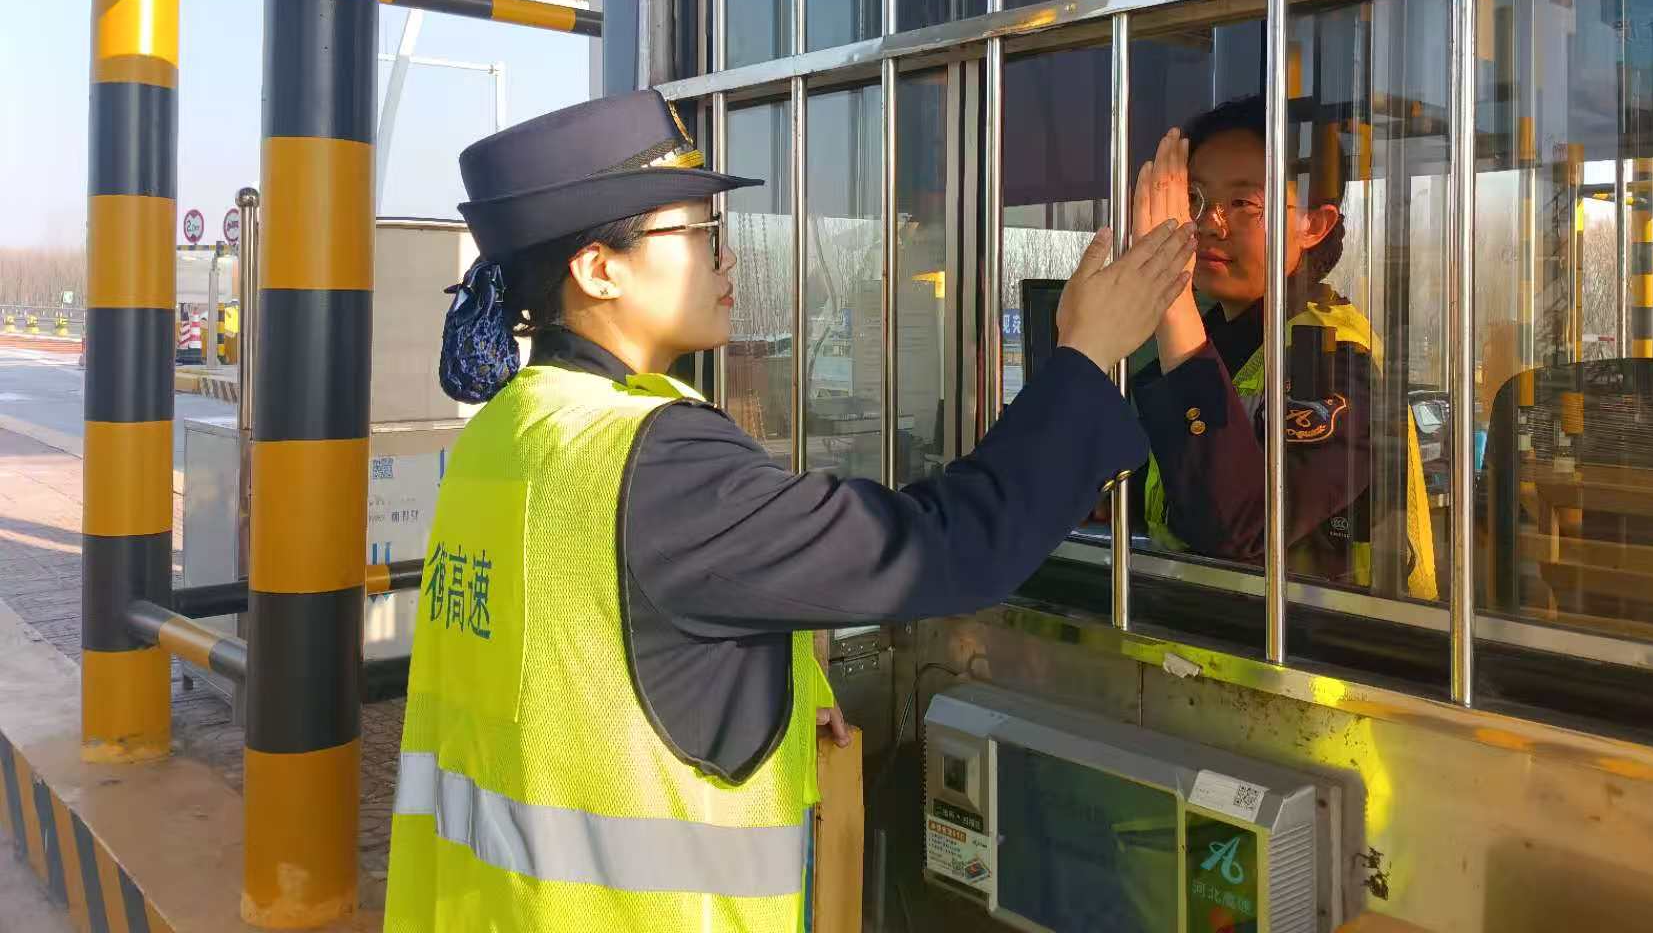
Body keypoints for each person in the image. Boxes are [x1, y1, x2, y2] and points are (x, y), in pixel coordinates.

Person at [384, 89, 1196, 933]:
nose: (726, 257)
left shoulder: (510, 431)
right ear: (599, 268)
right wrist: (1086, 354)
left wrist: (764, 683)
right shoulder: (653, 461)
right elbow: (947, 546)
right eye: (700, 233)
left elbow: (595, 637)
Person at [1129, 96, 1438, 599]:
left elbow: (1242, 529)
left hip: (1335, 637)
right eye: (1195, 199)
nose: (1209, 224)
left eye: (1243, 204)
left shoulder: (1333, 355)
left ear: (1313, 225)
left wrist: (1172, 301)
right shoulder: (1214, 342)